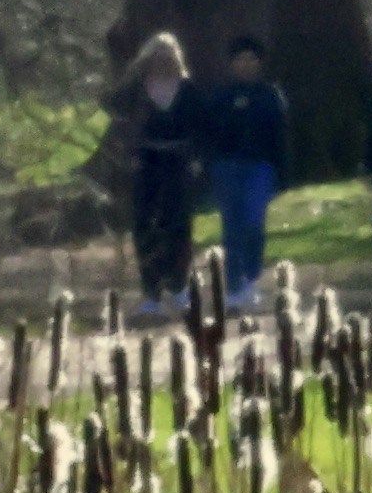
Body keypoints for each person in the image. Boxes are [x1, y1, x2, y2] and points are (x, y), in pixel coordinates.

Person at [183, 38, 295, 308]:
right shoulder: (220, 97)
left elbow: (280, 136)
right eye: (240, 59)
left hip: (260, 168)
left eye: (251, 59)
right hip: (227, 168)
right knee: (231, 227)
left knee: (254, 224)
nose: (246, 65)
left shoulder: (270, 96)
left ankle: (252, 276)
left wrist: (282, 172)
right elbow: (206, 133)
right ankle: (233, 287)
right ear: (232, 64)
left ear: (259, 63)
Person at [117, 34, 197, 311]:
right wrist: (131, 154)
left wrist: (196, 158)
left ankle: (178, 286)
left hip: (178, 163)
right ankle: (151, 292)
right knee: (145, 227)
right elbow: (120, 122)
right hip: (147, 163)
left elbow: (199, 127)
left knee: (178, 225)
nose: (163, 60)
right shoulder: (136, 91)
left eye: (168, 54)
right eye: (157, 54)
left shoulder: (187, 90)